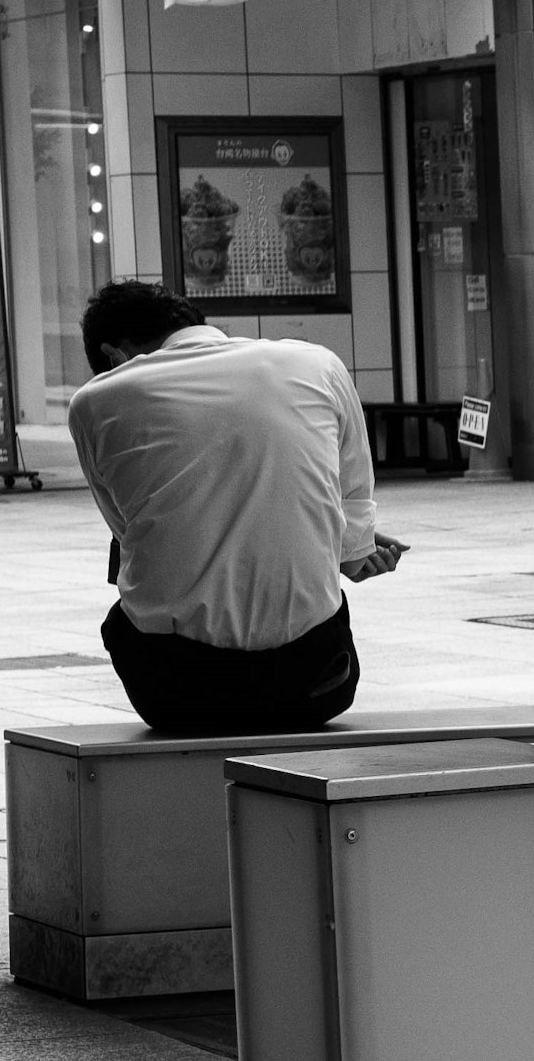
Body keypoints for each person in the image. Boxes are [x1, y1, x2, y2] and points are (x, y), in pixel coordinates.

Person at [66, 281, 401, 735]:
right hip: (317, 680)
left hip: (177, 694)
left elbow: (127, 530)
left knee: (124, 603)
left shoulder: (95, 402)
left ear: (112, 355)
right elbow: (354, 501)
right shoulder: (318, 364)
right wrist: (343, 541)